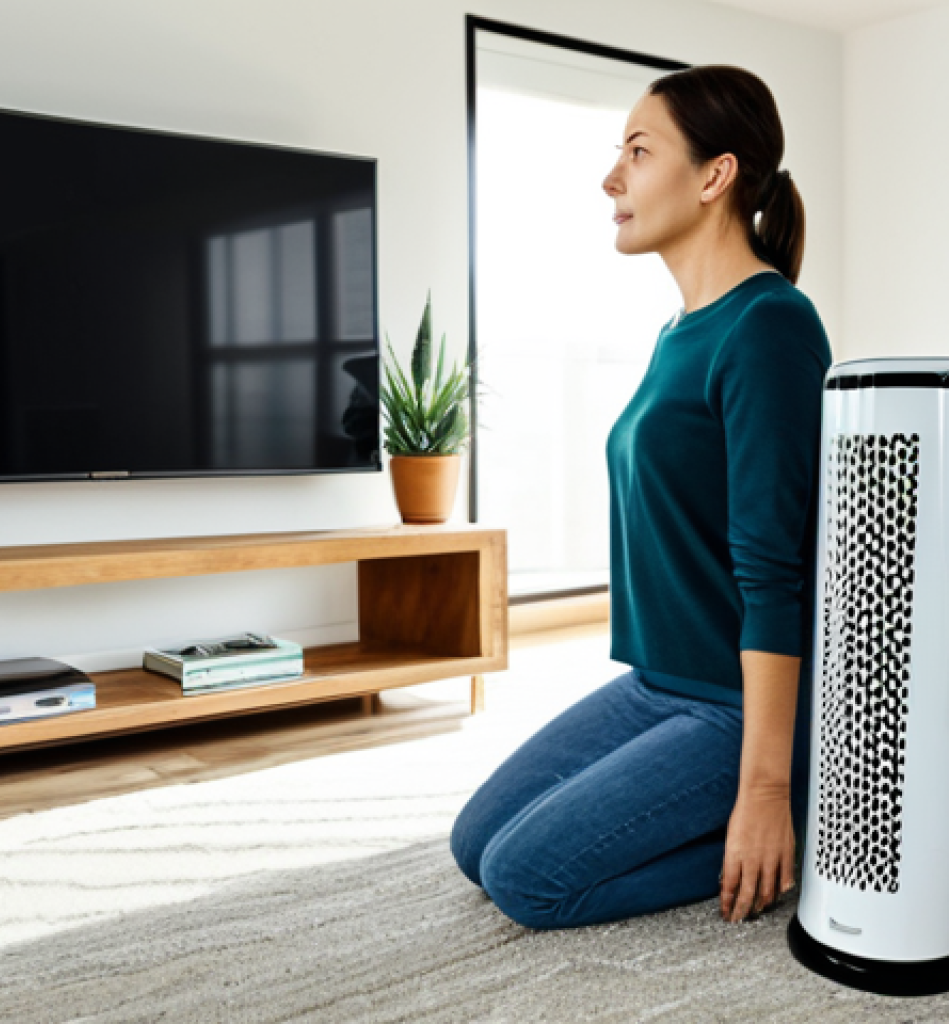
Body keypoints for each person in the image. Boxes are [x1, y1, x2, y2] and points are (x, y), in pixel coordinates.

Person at [450, 64, 833, 929]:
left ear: (714, 174)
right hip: (658, 683)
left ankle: (805, 827)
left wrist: (764, 789)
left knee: (527, 878)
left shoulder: (768, 325)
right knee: (474, 842)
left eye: (637, 150)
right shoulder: (678, 330)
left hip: (735, 703)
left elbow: (778, 573)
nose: (610, 178)